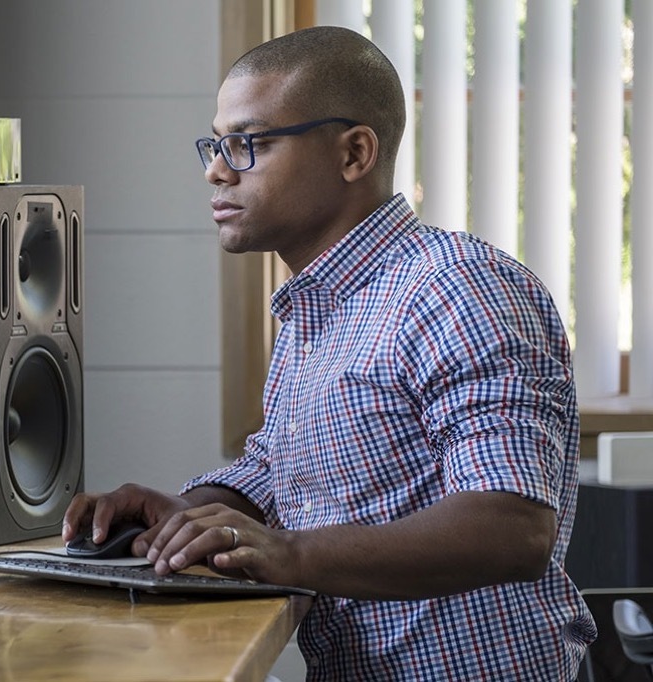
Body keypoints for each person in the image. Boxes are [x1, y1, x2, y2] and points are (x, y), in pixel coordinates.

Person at [62, 25, 596, 680]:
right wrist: (197, 512)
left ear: (354, 154)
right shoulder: (317, 309)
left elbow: (512, 529)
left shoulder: (459, 290)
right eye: (216, 143)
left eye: (248, 144)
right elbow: (290, 463)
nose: (216, 170)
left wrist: (286, 554)